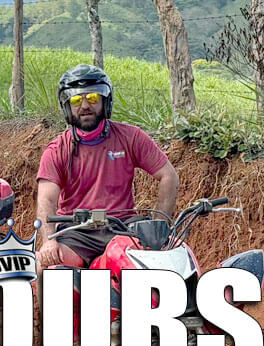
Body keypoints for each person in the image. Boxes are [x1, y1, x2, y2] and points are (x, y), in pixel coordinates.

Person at [34, 64, 179, 269]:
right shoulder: (57, 150)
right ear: (67, 106)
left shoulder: (131, 137)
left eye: (92, 98)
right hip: (77, 232)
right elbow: (46, 200)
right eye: (77, 100)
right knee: (45, 267)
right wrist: (49, 241)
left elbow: (168, 176)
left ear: (105, 101)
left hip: (123, 228)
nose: (85, 106)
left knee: (159, 263)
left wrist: (159, 224)